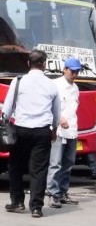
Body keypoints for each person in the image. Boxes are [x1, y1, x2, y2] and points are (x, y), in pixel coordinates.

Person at [1, 50, 60, 218]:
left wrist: (5, 122)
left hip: (21, 129)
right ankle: (36, 207)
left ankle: (17, 202)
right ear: (44, 64)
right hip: (42, 132)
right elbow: (56, 112)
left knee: (15, 166)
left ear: (28, 63)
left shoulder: (18, 81)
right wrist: (54, 129)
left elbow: (7, 109)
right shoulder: (51, 84)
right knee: (39, 170)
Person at [47, 57, 81, 208]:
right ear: (65, 69)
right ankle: (52, 193)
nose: (75, 74)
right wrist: (59, 118)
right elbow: (48, 105)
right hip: (58, 130)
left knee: (68, 163)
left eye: (77, 71)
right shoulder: (55, 85)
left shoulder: (76, 88)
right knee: (56, 163)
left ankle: (62, 192)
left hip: (72, 130)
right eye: (72, 71)